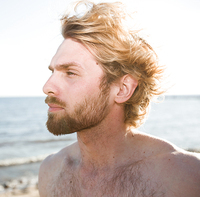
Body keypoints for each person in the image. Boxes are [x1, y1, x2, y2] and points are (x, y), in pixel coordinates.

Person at [38, 1, 200, 196]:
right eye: (52, 72)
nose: (47, 87)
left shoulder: (184, 177)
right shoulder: (50, 172)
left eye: (70, 73)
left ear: (123, 89)